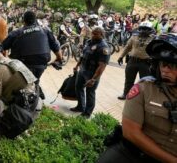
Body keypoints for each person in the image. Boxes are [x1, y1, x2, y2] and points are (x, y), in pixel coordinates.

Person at [98, 33, 177, 162]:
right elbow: (131, 133)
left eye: (173, 65)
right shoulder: (144, 89)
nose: (165, 70)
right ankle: (124, 93)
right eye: (163, 64)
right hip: (134, 154)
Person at [2, 10, 63, 99]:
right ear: (35, 20)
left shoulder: (16, 33)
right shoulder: (45, 30)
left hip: (22, 66)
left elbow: (2, 47)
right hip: (41, 64)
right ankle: (36, 89)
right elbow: (56, 47)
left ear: (24, 21)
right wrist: (59, 59)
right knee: (35, 79)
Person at [70, 27, 110, 118]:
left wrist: (93, 79)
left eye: (95, 34)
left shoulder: (104, 47)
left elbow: (102, 66)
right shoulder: (89, 42)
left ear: (102, 35)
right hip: (83, 70)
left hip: (92, 74)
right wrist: (77, 66)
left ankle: (87, 113)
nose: (93, 35)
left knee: (90, 92)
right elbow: (83, 55)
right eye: (92, 33)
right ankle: (80, 106)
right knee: (78, 87)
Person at [117, 22, 155, 100]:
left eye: (146, 29)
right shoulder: (134, 37)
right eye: (143, 29)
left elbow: (156, 51)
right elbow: (127, 47)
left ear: (150, 30)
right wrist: (121, 57)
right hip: (132, 61)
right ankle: (126, 94)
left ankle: (143, 98)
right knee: (129, 80)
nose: (144, 31)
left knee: (145, 81)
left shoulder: (154, 39)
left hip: (145, 63)